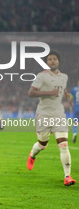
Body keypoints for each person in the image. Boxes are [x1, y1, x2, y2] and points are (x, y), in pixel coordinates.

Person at [26, 50, 76, 186]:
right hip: (44, 114)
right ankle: (32, 155)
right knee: (42, 145)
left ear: (58, 61)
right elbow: (31, 93)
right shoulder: (41, 76)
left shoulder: (64, 77)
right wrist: (50, 92)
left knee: (64, 145)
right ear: (47, 62)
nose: (52, 61)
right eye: (49, 59)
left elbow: (62, 90)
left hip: (59, 114)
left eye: (54, 59)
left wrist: (66, 96)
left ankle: (67, 176)